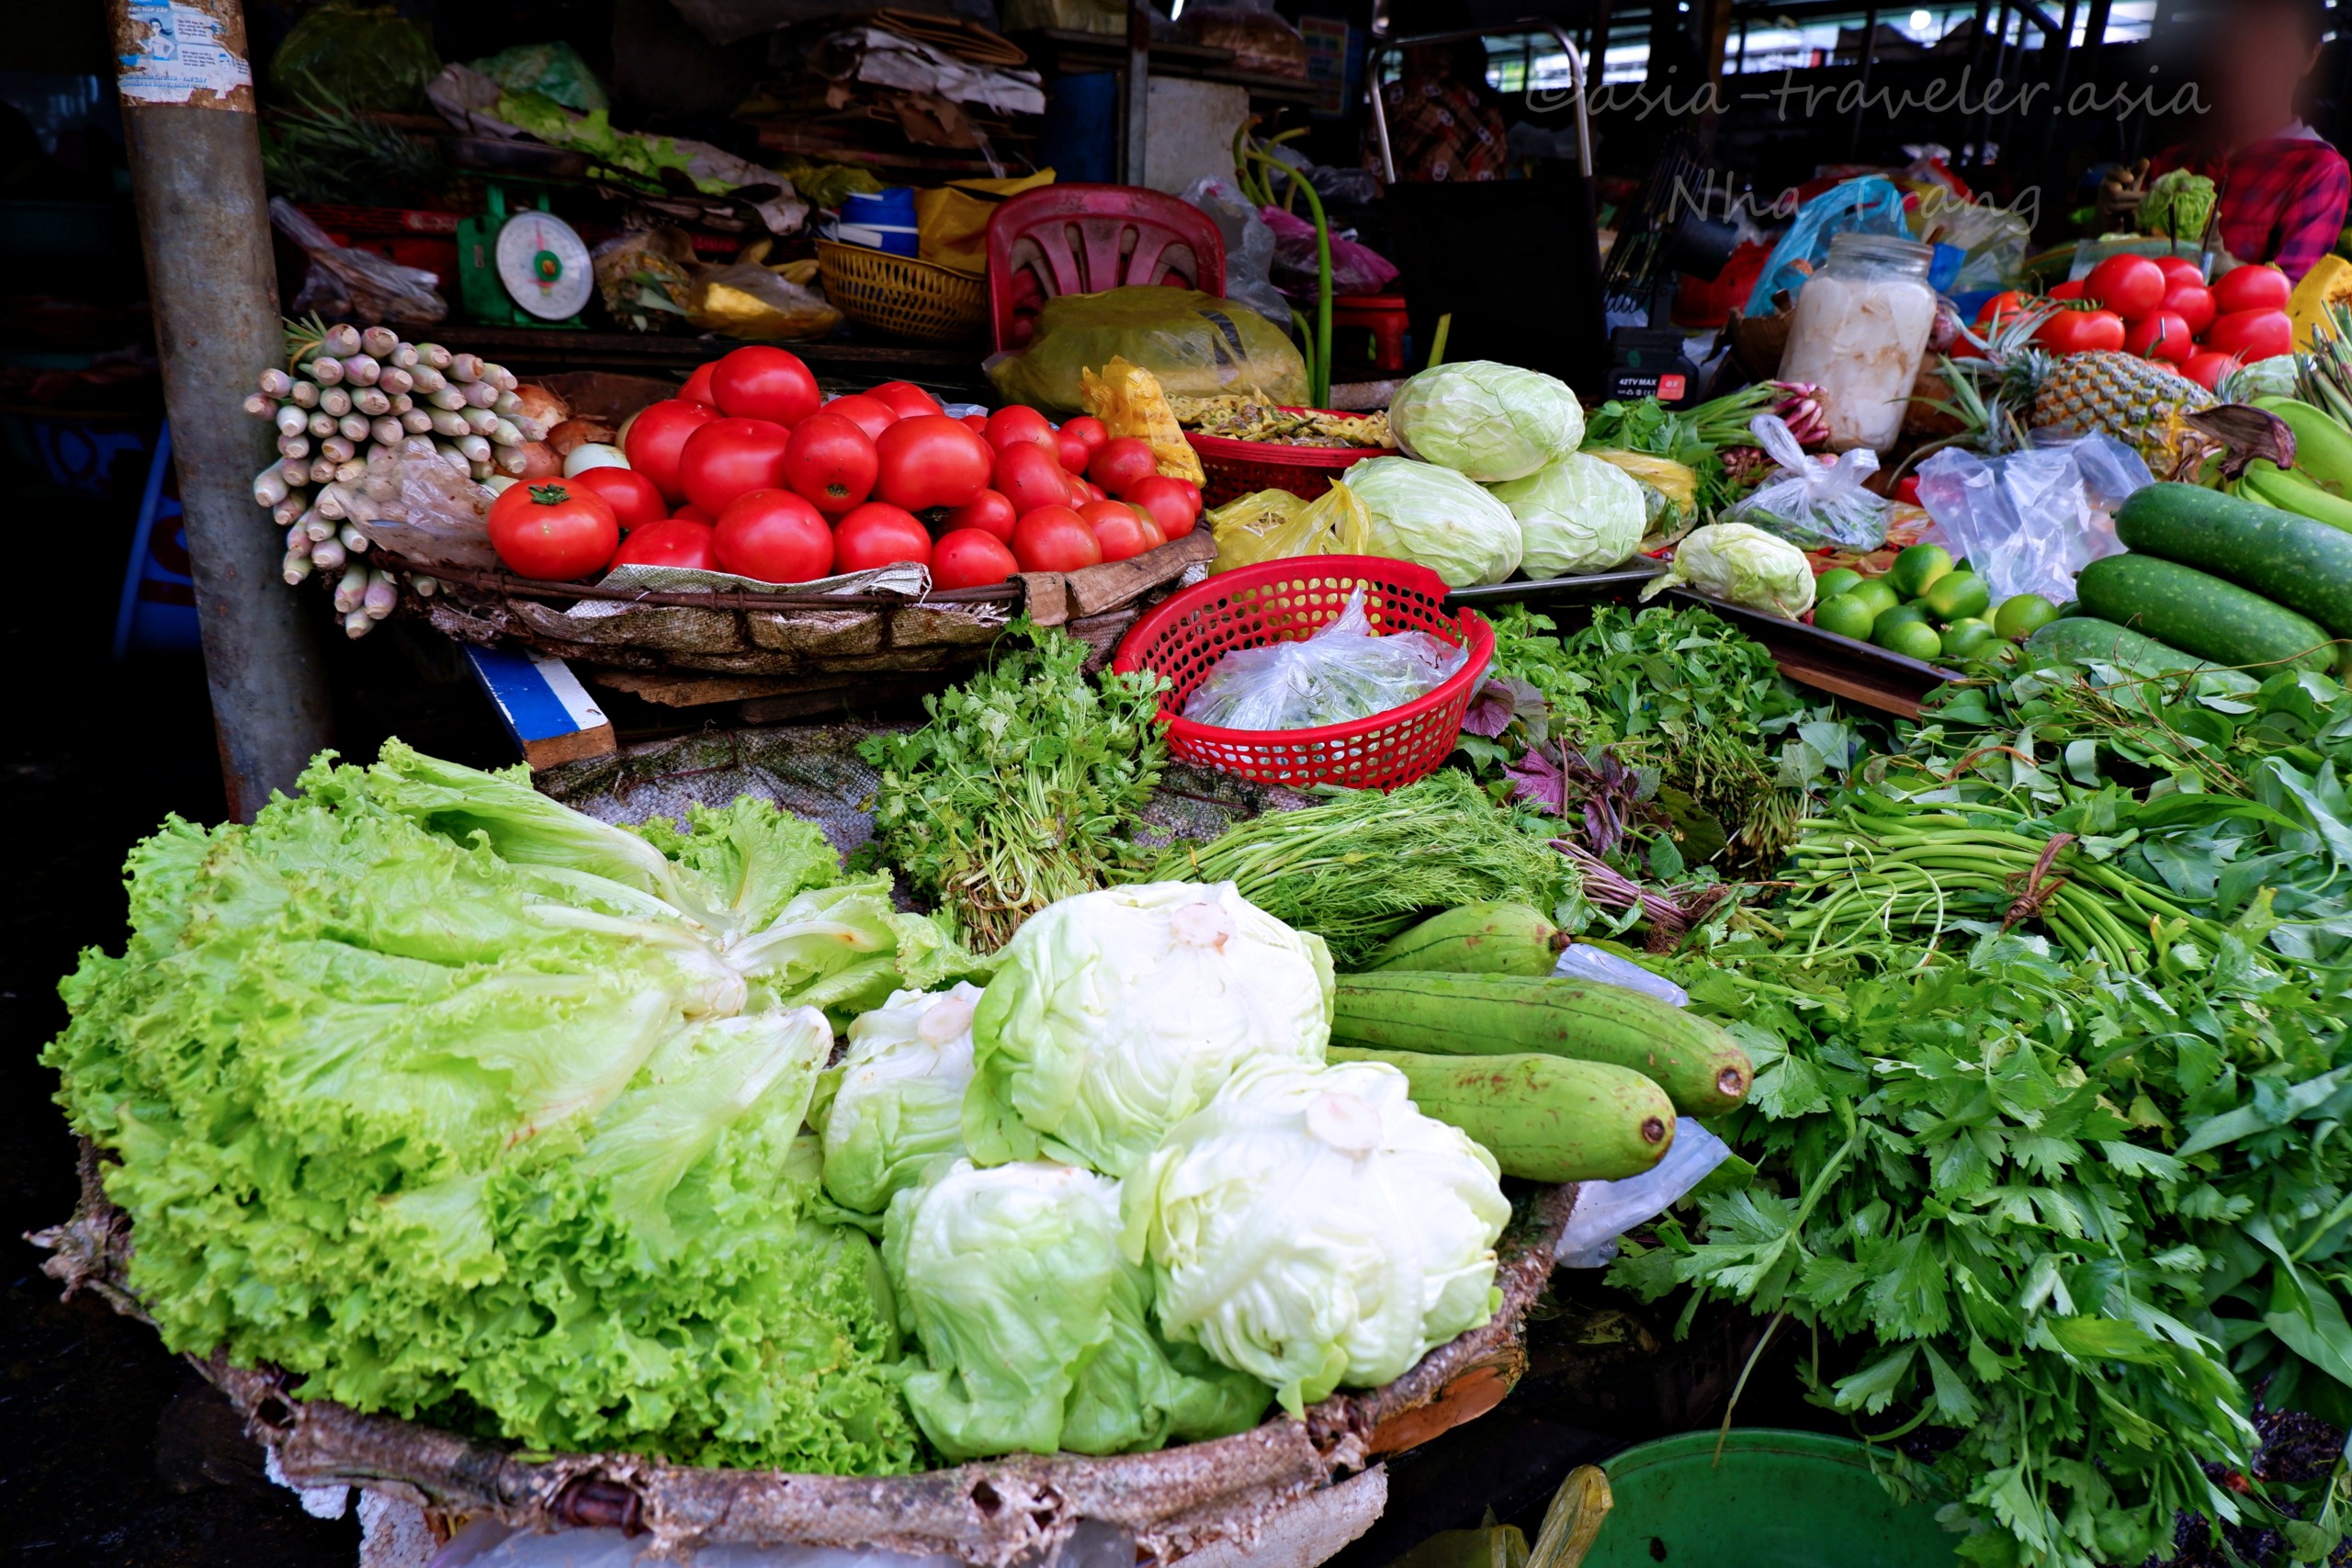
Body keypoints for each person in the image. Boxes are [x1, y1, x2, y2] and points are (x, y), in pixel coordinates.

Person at [2101, 0, 2349, 280]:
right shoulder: (2171, 161)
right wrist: (2109, 228)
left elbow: (2295, 303)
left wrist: (2219, 262)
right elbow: (2118, 279)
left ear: (2310, 57)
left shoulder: (2320, 170)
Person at [1372, 39, 1509, 182]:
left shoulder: (1402, 97)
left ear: (1420, 47)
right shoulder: (1492, 111)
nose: (1402, 61)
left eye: (1405, 51)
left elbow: (1371, 178)